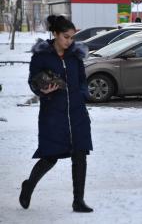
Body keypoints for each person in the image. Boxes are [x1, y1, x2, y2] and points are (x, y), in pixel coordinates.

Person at [19, 15, 94, 213]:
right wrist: (42, 90)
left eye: (72, 37)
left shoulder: (75, 55)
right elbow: (32, 81)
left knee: (80, 155)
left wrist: (82, 95)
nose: (70, 41)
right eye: (66, 37)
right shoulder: (42, 55)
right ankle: (28, 187)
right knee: (50, 156)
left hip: (77, 113)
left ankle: (78, 201)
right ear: (55, 34)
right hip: (53, 114)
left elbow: (82, 80)